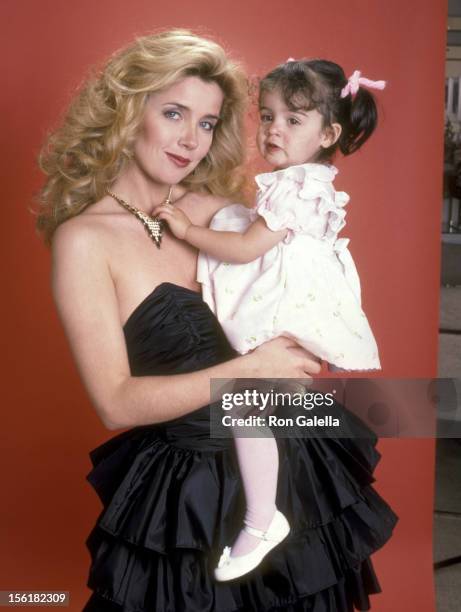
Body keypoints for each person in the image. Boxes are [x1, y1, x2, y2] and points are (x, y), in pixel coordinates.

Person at [37, 30, 397, 611]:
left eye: (206, 123)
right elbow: (116, 403)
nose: (190, 139)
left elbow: (299, 287)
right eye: (174, 113)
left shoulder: (219, 213)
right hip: (189, 497)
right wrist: (251, 368)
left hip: (290, 472)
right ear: (128, 110)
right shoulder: (85, 241)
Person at [155, 59, 387, 581]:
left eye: (293, 120)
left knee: (243, 407)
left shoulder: (292, 186)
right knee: (259, 408)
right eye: (268, 116)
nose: (274, 129)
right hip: (304, 299)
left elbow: (243, 250)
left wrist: (187, 231)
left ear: (329, 132)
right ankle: (270, 508)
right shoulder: (313, 179)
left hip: (289, 304)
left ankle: (262, 520)